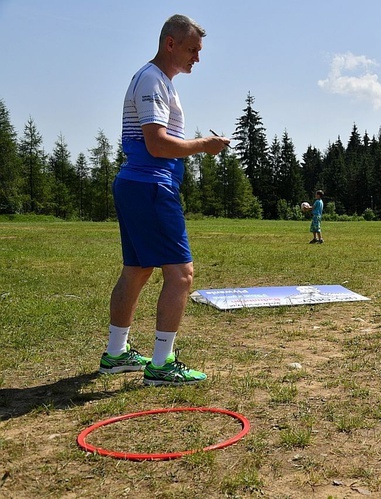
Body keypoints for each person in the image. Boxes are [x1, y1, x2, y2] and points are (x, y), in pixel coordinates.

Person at [98, 14, 230, 385]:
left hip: (139, 185)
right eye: (192, 50)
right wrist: (204, 146)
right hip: (151, 185)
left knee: (137, 271)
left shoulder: (159, 82)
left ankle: (116, 353)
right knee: (181, 274)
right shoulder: (153, 80)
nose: (197, 59)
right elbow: (156, 144)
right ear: (170, 44)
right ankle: (161, 364)